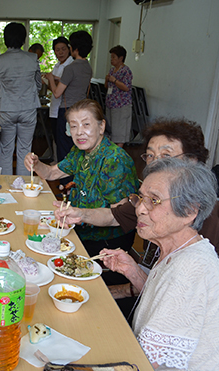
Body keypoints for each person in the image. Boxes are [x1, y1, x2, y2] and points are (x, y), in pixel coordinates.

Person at [54, 119, 219, 316]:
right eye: (150, 155)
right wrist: (78, 213)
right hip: (146, 290)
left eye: (167, 155)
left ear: (192, 162)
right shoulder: (147, 200)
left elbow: (180, 309)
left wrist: (124, 290)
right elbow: (113, 216)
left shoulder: (200, 236)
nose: (156, 162)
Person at [100, 158, 219, 370]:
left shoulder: (191, 268)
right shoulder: (180, 249)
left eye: (154, 201)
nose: (140, 210)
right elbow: (164, 301)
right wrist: (134, 272)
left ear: (190, 212)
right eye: (141, 198)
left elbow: (149, 364)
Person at [24, 99, 139, 256]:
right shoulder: (80, 152)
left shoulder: (114, 160)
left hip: (106, 243)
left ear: (101, 126)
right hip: (80, 229)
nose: (79, 132)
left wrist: (80, 214)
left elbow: (118, 216)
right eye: (73, 126)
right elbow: (51, 173)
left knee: (40, 252)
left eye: (86, 124)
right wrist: (36, 164)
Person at [0, 22, 42, 176]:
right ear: (23, 39)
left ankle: (7, 185)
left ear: (5, 39)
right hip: (28, 108)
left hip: (7, 108)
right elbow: (39, 84)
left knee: (6, 149)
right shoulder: (33, 58)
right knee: (25, 149)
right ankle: (23, 187)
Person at [51, 30, 93, 164]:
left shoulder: (70, 68)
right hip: (83, 110)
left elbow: (57, 93)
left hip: (67, 111)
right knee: (78, 145)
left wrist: (50, 78)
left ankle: (64, 182)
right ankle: (77, 180)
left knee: (64, 148)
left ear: (74, 49)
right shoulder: (88, 67)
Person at [44, 37, 73, 152]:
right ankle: (57, 163)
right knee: (56, 138)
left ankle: (64, 166)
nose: (60, 52)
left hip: (64, 107)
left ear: (69, 49)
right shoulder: (57, 65)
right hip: (55, 107)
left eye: (63, 49)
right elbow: (54, 87)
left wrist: (52, 79)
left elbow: (63, 86)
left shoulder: (70, 65)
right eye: (57, 50)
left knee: (64, 140)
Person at [105, 45, 133, 147]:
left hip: (121, 104)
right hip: (110, 104)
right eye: (111, 57)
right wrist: (107, 79)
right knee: (111, 129)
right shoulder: (112, 70)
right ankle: (111, 151)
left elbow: (126, 87)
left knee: (120, 132)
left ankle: (117, 154)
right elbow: (106, 87)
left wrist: (115, 80)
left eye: (114, 57)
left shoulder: (126, 71)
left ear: (121, 58)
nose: (111, 60)